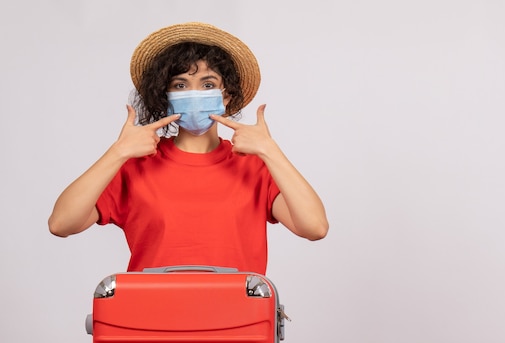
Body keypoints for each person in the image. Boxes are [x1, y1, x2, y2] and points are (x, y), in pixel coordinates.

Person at [48, 22, 328, 274]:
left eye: (208, 84)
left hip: (238, 324)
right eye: (181, 84)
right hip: (150, 321)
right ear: (166, 97)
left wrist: (270, 150)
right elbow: (61, 224)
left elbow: (314, 228)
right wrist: (117, 151)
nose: (194, 93)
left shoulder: (255, 165)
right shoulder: (135, 165)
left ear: (226, 96)